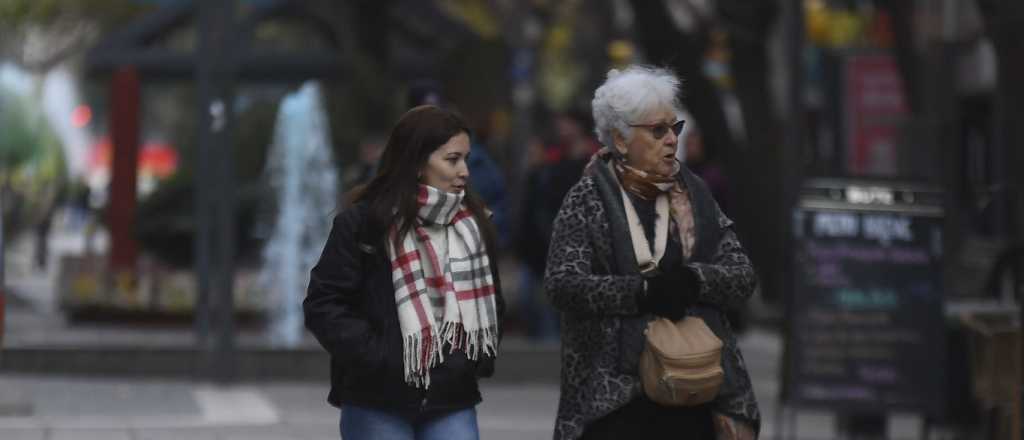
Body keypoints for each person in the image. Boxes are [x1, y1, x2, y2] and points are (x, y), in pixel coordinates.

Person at [544, 65, 760, 440]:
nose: (671, 140)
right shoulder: (586, 198)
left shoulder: (696, 195)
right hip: (614, 396)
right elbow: (563, 285)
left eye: (674, 128)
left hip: (695, 388)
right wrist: (641, 293)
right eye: (657, 131)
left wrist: (695, 281)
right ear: (621, 139)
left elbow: (742, 276)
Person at [304, 105, 505, 440]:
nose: (465, 171)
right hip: (376, 399)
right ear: (416, 162)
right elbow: (324, 305)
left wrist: (467, 362)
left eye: (466, 159)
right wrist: (381, 359)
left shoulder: (474, 223)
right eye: (452, 159)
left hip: (450, 398)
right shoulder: (364, 224)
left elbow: (493, 302)